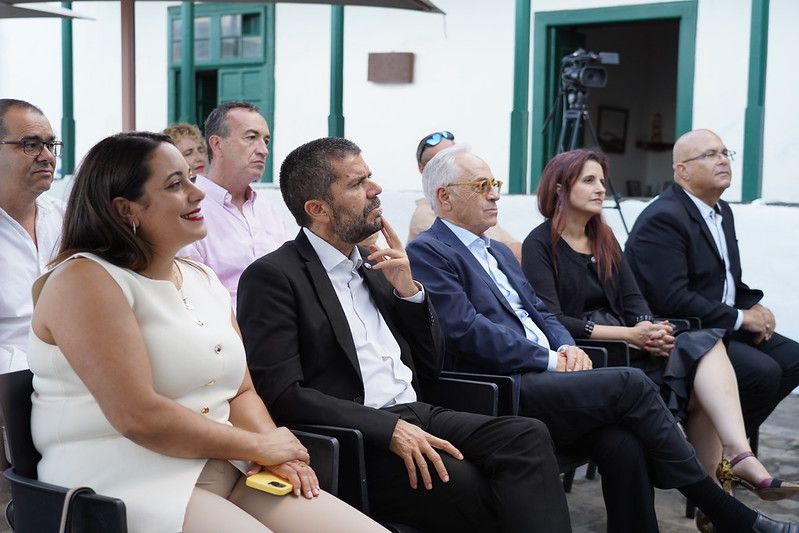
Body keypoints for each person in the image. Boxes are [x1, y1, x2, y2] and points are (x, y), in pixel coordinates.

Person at [406, 144, 798, 533]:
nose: (494, 194)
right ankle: (730, 514)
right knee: (632, 383)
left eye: (494, 184)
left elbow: (543, 313)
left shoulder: (499, 252)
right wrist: (551, 359)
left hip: (548, 373)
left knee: (622, 441)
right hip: (506, 385)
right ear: (445, 197)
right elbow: (468, 331)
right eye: (481, 185)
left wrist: (567, 345)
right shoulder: (429, 251)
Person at [28, 132, 384, 533]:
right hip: (126, 481)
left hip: (228, 466)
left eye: (191, 179)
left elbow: (240, 391)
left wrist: (279, 453)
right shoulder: (84, 280)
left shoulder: (201, 278)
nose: (197, 194)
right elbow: (138, 416)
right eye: (175, 185)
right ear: (126, 208)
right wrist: (259, 445)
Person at [237, 137, 572, 533]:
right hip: (358, 438)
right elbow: (283, 394)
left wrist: (408, 292)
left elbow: (431, 364)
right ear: (318, 209)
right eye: (358, 183)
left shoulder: (377, 264)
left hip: (420, 411)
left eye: (370, 177)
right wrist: (386, 428)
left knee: (528, 435)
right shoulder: (274, 276)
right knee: (476, 485)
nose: (375, 189)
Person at [522, 148, 798, 501]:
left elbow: (634, 300)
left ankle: (733, 465)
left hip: (631, 343)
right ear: (559, 188)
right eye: (589, 181)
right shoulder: (539, 244)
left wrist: (650, 328)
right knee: (701, 374)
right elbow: (552, 320)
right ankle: (718, 494)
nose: (601, 189)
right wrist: (631, 334)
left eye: (602, 181)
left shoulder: (603, 237)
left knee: (704, 346)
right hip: (590, 354)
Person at [625, 129, 799, 439]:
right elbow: (671, 298)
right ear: (683, 171)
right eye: (710, 155)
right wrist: (742, 318)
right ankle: (720, 449)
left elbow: (724, 278)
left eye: (724, 153)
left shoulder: (721, 211)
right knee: (763, 373)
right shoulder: (664, 218)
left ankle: (727, 446)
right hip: (682, 332)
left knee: (793, 358)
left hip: (717, 323)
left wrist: (755, 307)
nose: (722, 161)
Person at [180, 101, 291, 308]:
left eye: (266, 140)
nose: (263, 150)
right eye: (251, 138)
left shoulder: (268, 209)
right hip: (225, 325)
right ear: (217, 145)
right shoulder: (189, 209)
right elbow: (193, 297)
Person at [0, 99, 65, 373]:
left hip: (70, 373)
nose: (47, 156)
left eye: (50, 144)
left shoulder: (66, 219)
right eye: (31, 144)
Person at [407, 130, 522, 261]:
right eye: (442, 161)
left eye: (457, 157)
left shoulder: (478, 213)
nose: (495, 196)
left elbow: (513, 246)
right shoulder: (425, 219)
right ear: (444, 197)